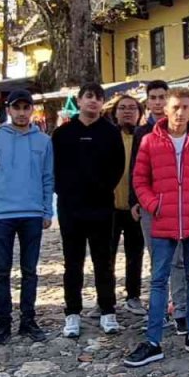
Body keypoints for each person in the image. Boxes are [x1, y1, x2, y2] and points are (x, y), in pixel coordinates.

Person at [125, 87, 189, 367]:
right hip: (163, 222)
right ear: (165, 109)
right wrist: (155, 205)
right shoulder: (150, 142)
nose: (180, 113)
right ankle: (153, 341)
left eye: (185, 107)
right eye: (175, 107)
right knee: (158, 280)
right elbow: (139, 179)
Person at [0, 90, 53, 344]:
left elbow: (47, 178)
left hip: (32, 214)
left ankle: (28, 320)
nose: (21, 112)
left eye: (26, 107)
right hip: (1, 215)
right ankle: (3, 323)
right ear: (8, 110)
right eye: (16, 108)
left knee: (30, 271)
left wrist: (47, 210)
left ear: (32, 110)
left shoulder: (43, 141)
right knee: (1, 272)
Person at [52, 84, 125, 338]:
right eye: (89, 97)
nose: (93, 102)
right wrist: (67, 192)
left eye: (98, 98)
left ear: (103, 103)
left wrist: (102, 190)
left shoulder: (111, 133)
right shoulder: (62, 134)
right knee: (73, 263)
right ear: (80, 101)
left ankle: (108, 311)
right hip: (71, 208)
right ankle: (72, 313)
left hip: (102, 208)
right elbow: (55, 169)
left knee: (103, 262)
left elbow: (118, 166)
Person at [130, 80, 189, 332]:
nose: (157, 101)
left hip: (179, 205)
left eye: (161, 97)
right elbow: (136, 169)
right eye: (153, 97)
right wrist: (137, 201)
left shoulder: (184, 130)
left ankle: (181, 310)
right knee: (158, 259)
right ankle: (159, 310)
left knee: (179, 260)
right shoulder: (142, 133)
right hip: (150, 205)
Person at [112, 95, 146, 314]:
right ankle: (104, 298)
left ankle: (133, 296)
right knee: (106, 255)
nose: (127, 111)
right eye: (122, 108)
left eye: (132, 108)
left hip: (136, 206)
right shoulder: (108, 136)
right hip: (110, 207)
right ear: (115, 112)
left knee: (135, 254)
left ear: (139, 113)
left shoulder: (145, 137)